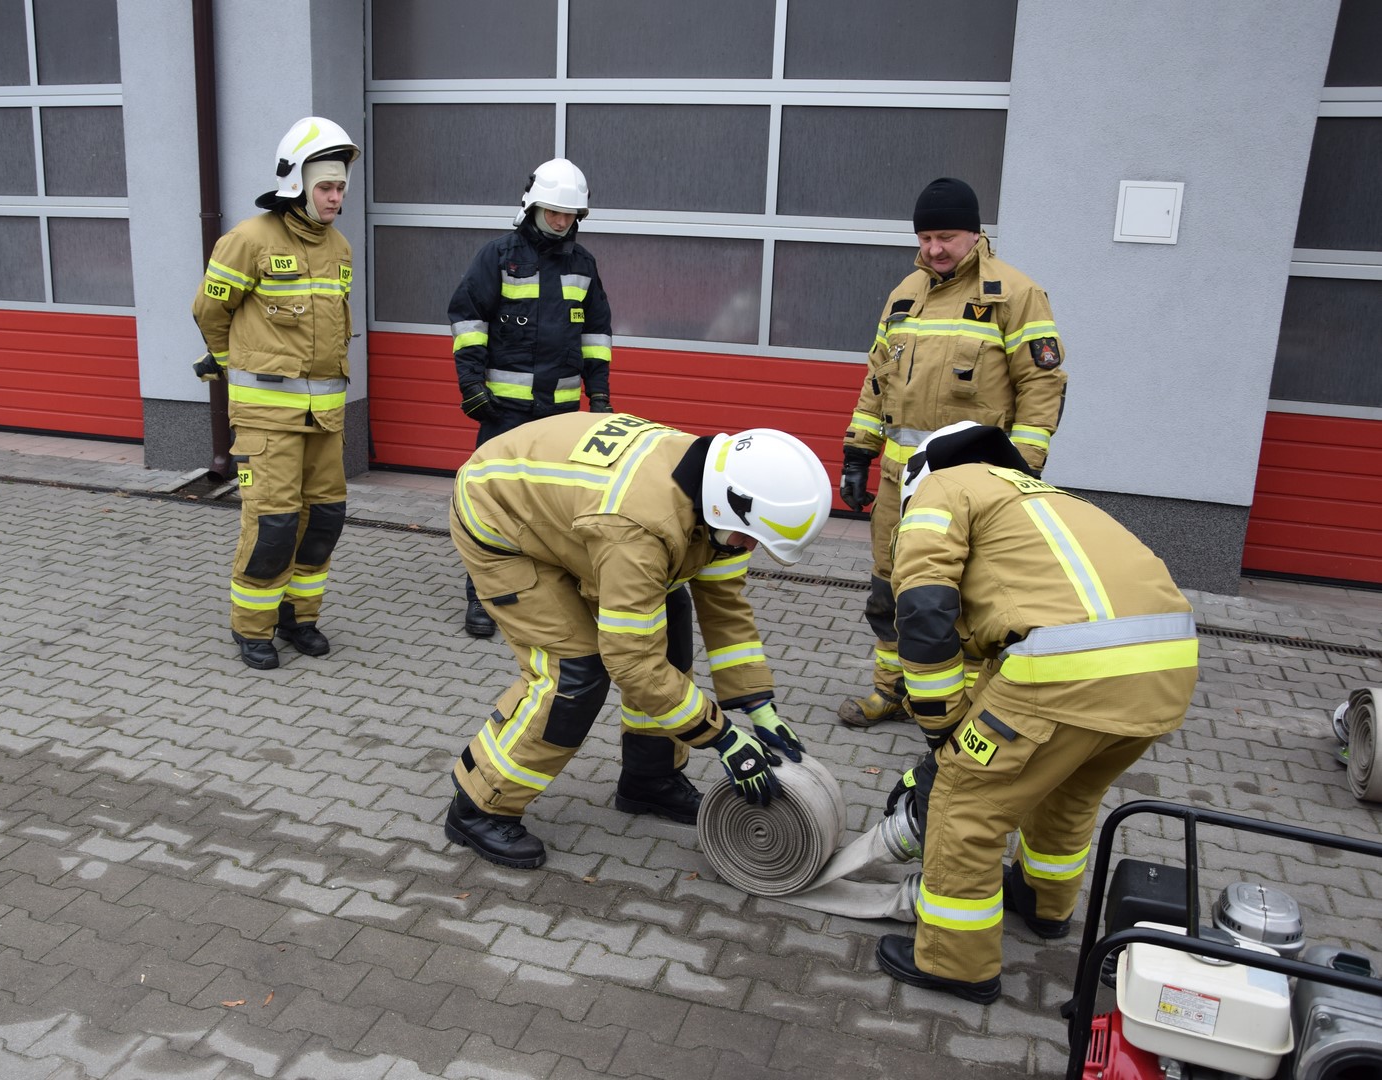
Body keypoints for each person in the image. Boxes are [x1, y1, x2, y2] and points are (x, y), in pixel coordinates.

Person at [872, 421, 1197, 1003]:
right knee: (1068, 790)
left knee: (966, 805)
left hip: (1065, 672)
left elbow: (923, 609)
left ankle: (954, 962)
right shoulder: (1049, 499)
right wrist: (945, 747)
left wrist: (944, 739)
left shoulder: (944, 489)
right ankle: (1044, 904)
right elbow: (1001, 657)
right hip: (1165, 671)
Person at [441, 412, 830, 869]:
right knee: (575, 672)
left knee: (668, 627)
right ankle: (479, 805)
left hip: (572, 515)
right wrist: (723, 738)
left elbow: (725, 611)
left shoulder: (719, 495)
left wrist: (759, 708)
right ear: (726, 506)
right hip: (500, 520)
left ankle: (650, 778)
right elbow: (632, 662)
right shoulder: (640, 526)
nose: (750, 549)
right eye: (750, 539)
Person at [837, 177, 1068, 729]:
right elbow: (877, 379)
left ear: (975, 233)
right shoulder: (905, 293)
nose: (934, 248)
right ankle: (891, 690)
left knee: (956, 599)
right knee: (889, 590)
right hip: (899, 483)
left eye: (946, 237)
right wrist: (857, 453)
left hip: (968, 486)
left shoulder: (1015, 295)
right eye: (925, 237)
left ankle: (958, 709)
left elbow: (1041, 386)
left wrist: (1024, 470)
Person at [191, 116, 359, 670]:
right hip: (266, 422)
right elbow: (210, 312)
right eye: (325, 187)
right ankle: (252, 627)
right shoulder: (249, 240)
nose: (335, 197)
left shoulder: (339, 247)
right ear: (297, 184)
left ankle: (299, 618)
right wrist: (228, 361)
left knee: (323, 520)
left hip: (325, 420)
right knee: (272, 524)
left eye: (340, 188)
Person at [449, 157, 614, 641]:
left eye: (569, 214)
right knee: (492, 503)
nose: (561, 222)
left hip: (559, 413)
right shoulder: (499, 256)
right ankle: (482, 596)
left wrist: (600, 396)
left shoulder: (583, 265)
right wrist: (471, 385)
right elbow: (468, 319)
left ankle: (545, 591)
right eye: (552, 212)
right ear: (532, 207)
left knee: (551, 506)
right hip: (503, 411)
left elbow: (597, 335)